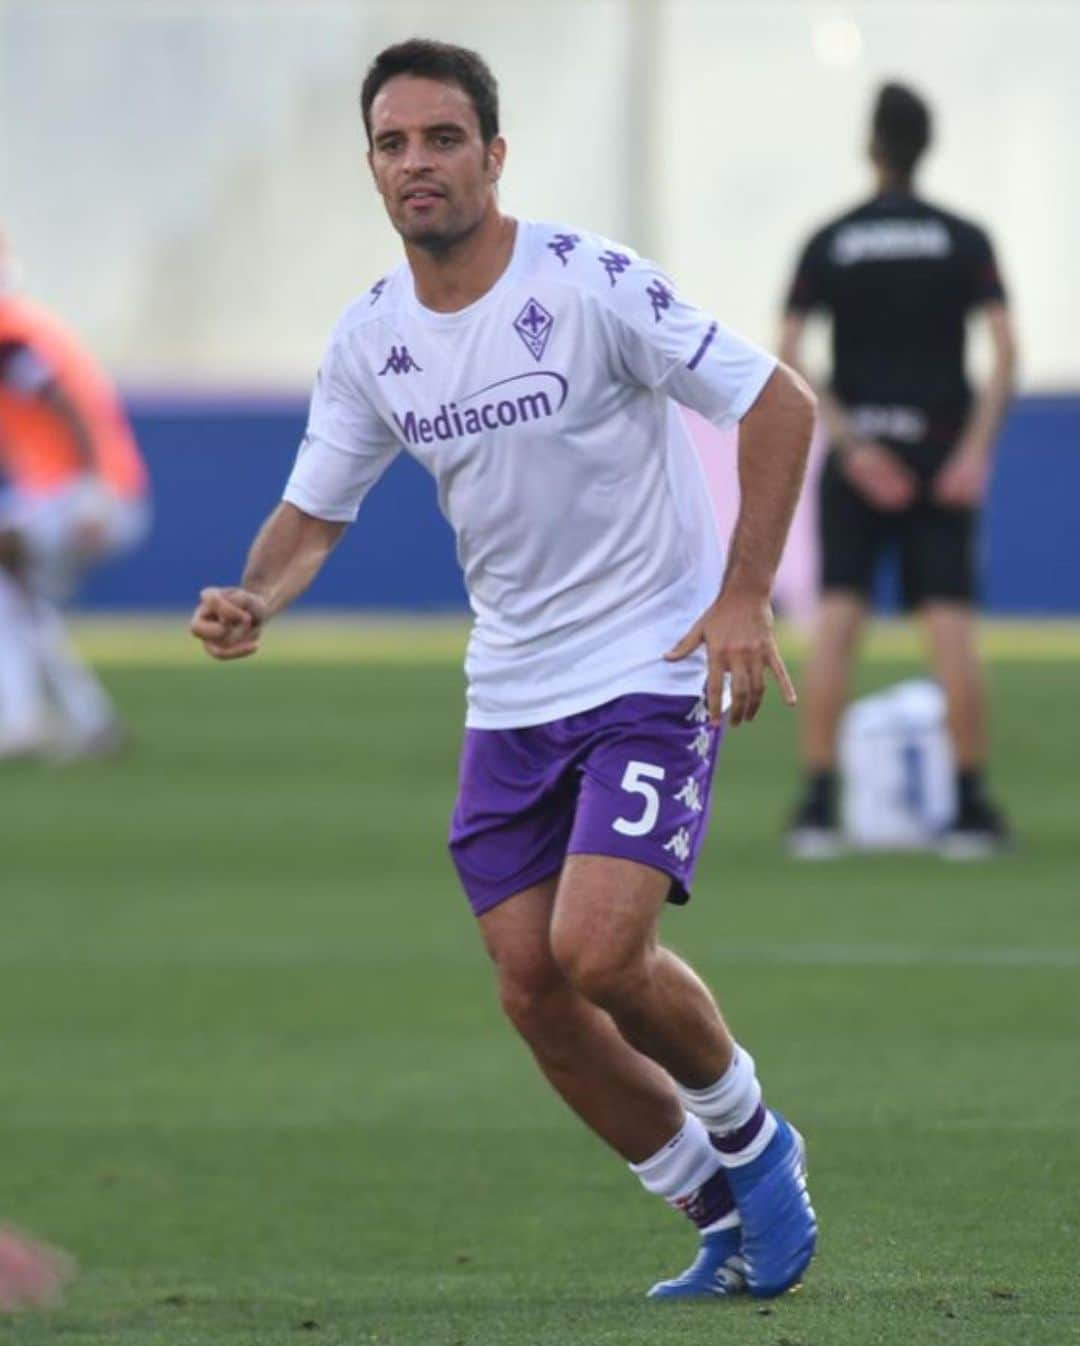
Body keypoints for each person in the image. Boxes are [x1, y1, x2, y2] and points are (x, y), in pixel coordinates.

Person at [191, 40, 817, 1300]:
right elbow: (315, 511)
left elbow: (780, 402)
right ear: (371, 167)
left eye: (441, 138)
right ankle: (711, 1211)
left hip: (651, 656)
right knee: (533, 990)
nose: (416, 163)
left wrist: (744, 593)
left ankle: (760, 1148)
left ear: (493, 153)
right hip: (514, 688)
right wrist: (257, 591)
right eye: (392, 143)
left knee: (597, 950)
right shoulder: (372, 336)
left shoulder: (587, 283)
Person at [780, 82, 1017, 858]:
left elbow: (786, 352)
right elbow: (1005, 351)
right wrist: (972, 453)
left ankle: (818, 810)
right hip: (940, 456)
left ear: (872, 147)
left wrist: (851, 445)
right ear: (927, 145)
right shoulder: (964, 238)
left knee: (837, 628)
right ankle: (971, 811)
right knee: (951, 632)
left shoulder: (832, 239)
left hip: (861, 462)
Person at [0, 234, 151, 760]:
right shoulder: (27, 325)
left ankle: (25, 721)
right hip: (77, 490)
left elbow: (63, 405)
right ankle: (88, 722)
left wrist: (93, 490)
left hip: (79, 494)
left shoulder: (10, 336)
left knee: (12, 587)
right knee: (20, 599)